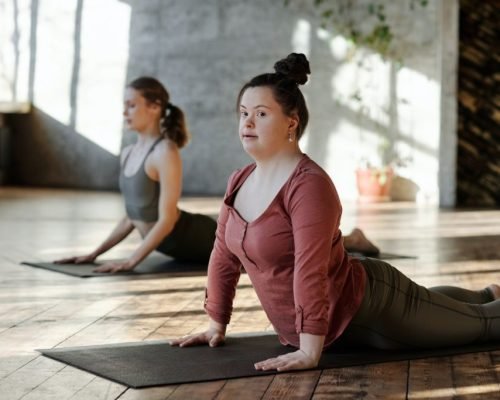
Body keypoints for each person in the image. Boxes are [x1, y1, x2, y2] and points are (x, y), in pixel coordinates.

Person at [170, 53, 500, 372]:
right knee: (447, 304)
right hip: (325, 326)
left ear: (292, 122)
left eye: (261, 113)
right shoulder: (239, 180)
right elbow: (223, 257)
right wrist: (216, 323)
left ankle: (488, 303)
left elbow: (309, 268)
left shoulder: (308, 185)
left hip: (371, 310)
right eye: (243, 113)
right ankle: (488, 293)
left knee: (486, 325)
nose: (248, 122)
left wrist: (309, 350)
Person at [55, 76, 378, 273]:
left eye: (131, 105)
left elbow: (165, 221)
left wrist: (132, 261)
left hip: (194, 237)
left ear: (154, 107)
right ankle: (351, 239)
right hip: (172, 245)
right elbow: (133, 215)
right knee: (281, 240)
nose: (124, 112)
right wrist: (94, 254)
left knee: (283, 246)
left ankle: (351, 241)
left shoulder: (164, 152)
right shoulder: (128, 153)